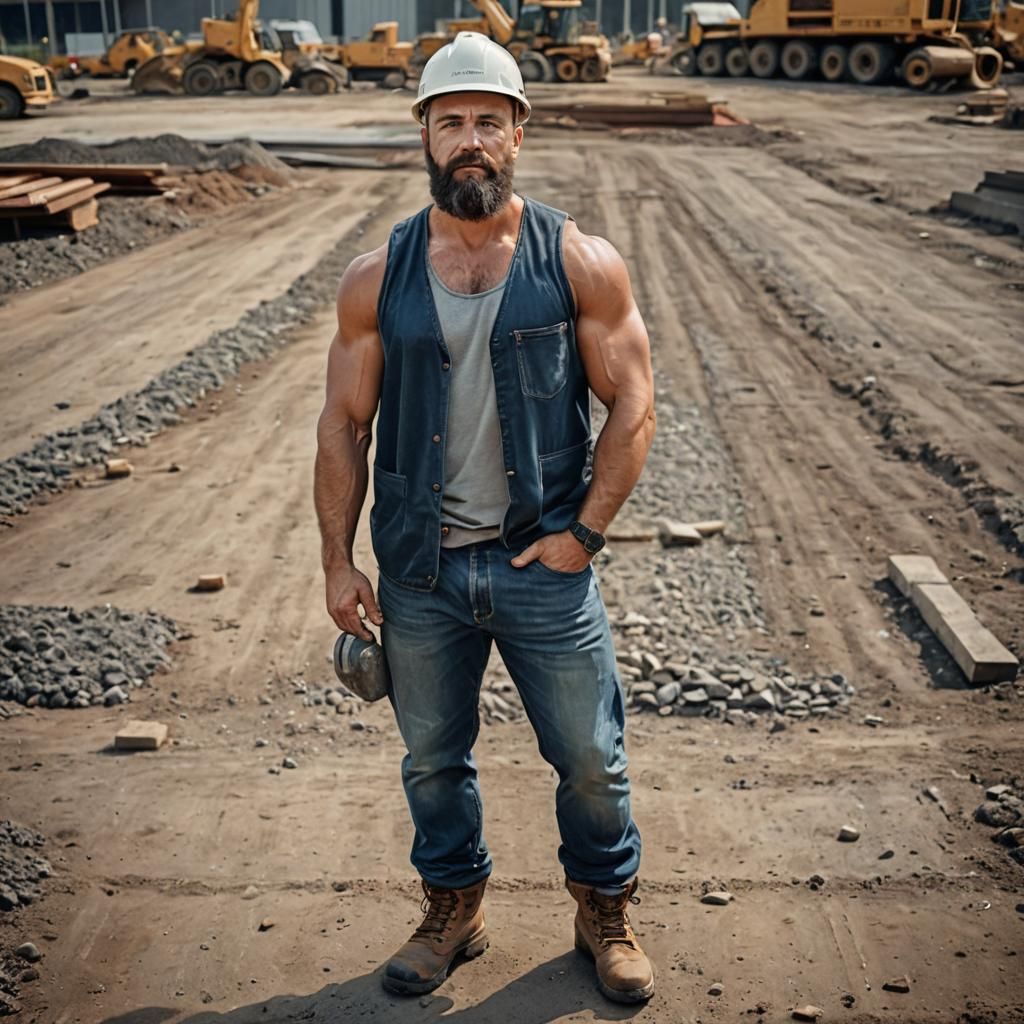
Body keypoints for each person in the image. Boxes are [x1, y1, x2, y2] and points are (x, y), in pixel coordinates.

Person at [314, 31, 656, 1005]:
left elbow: (634, 405)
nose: (471, 140)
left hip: (540, 567)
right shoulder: (374, 277)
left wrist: (580, 535)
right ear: (422, 134)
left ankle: (603, 908)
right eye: (451, 121)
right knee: (431, 760)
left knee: (590, 758)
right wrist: (339, 565)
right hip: (421, 574)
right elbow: (342, 424)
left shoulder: (579, 260)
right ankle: (452, 908)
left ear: (518, 134)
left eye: (488, 123)